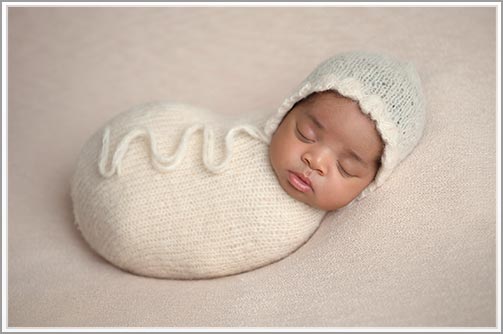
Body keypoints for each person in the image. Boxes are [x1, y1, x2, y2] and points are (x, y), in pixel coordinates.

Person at [70, 50, 426, 279]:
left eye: (346, 168)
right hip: (116, 153)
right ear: (287, 109)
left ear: (372, 183)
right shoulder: (257, 129)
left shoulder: (279, 222)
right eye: (306, 132)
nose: (314, 160)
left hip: (130, 220)